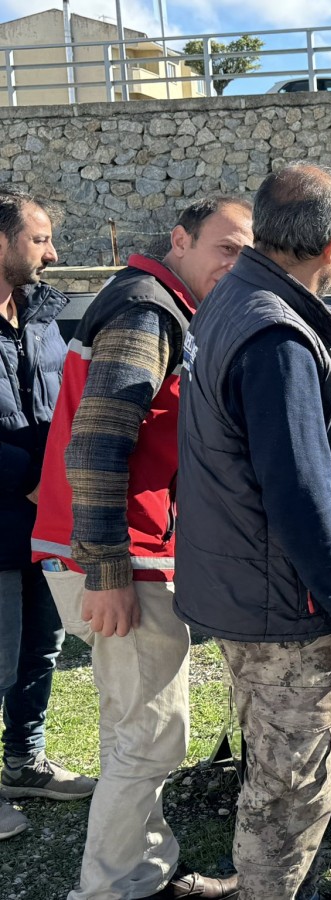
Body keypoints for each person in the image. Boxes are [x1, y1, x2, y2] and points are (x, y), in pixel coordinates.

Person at [174, 163, 331, 900]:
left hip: (240, 586)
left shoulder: (234, 298)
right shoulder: (278, 338)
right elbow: (299, 496)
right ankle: (265, 890)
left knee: (268, 762)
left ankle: (248, 883)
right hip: (286, 609)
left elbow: (282, 406)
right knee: (291, 789)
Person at [30, 197, 254, 899]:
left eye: (246, 253)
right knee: (153, 735)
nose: (235, 264)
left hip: (112, 550)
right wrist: (107, 569)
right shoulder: (148, 311)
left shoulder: (153, 302)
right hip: (118, 556)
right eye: (225, 247)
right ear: (180, 240)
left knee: (134, 726)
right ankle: (112, 888)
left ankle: (138, 868)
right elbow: (98, 443)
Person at [0, 188, 96, 841]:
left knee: (41, 647)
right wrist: (30, 480)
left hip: (46, 524)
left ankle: (22, 762)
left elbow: (66, 402)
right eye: (39, 239)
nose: (53, 253)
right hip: (10, 515)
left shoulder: (40, 314)